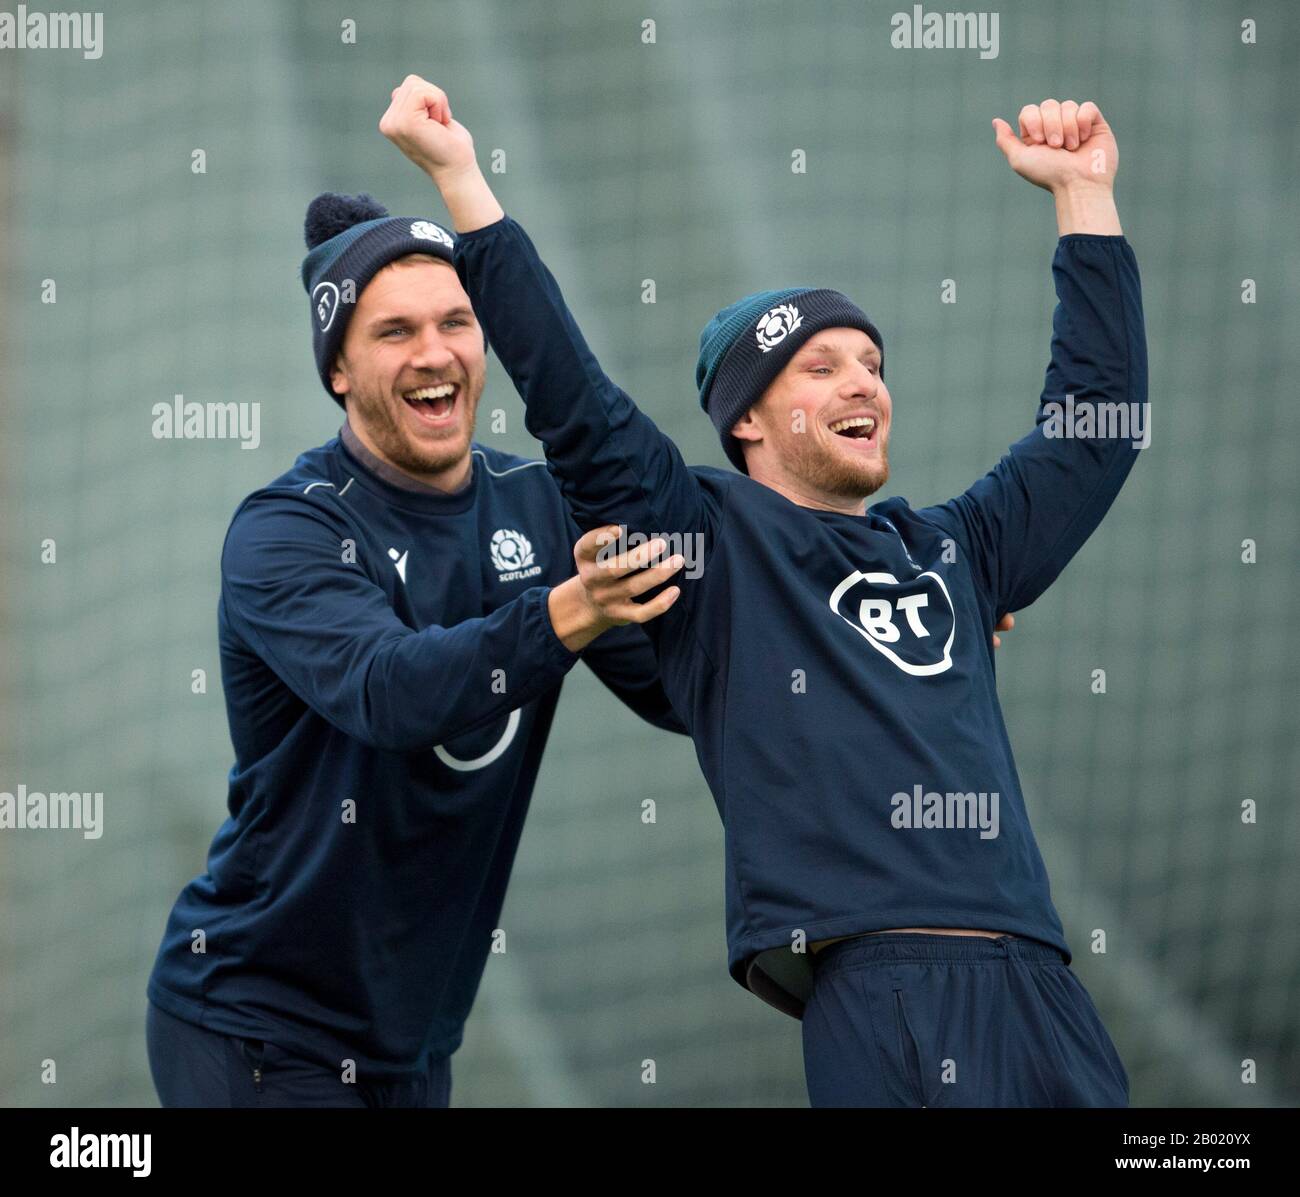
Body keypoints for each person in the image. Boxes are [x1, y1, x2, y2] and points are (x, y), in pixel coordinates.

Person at [383, 76, 1142, 1107]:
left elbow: (1094, 428)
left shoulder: (959, 551)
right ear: (747, 420)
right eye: (820, 366)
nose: (862, 382)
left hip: (1041, 986)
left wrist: (1082, 195)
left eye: (870, 363)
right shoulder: (709, 548)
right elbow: (576, 403)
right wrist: (460, 179)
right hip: (876, 995)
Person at [144, 185, 692, 1108]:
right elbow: (393, 691)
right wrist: (567, 611)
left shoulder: (540, 503)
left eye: (456, 322)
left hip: (414, 1048)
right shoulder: (286, 532)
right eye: (394, 331)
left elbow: (678, 691)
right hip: (256, 1029)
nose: (435, 353)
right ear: (338, 373)